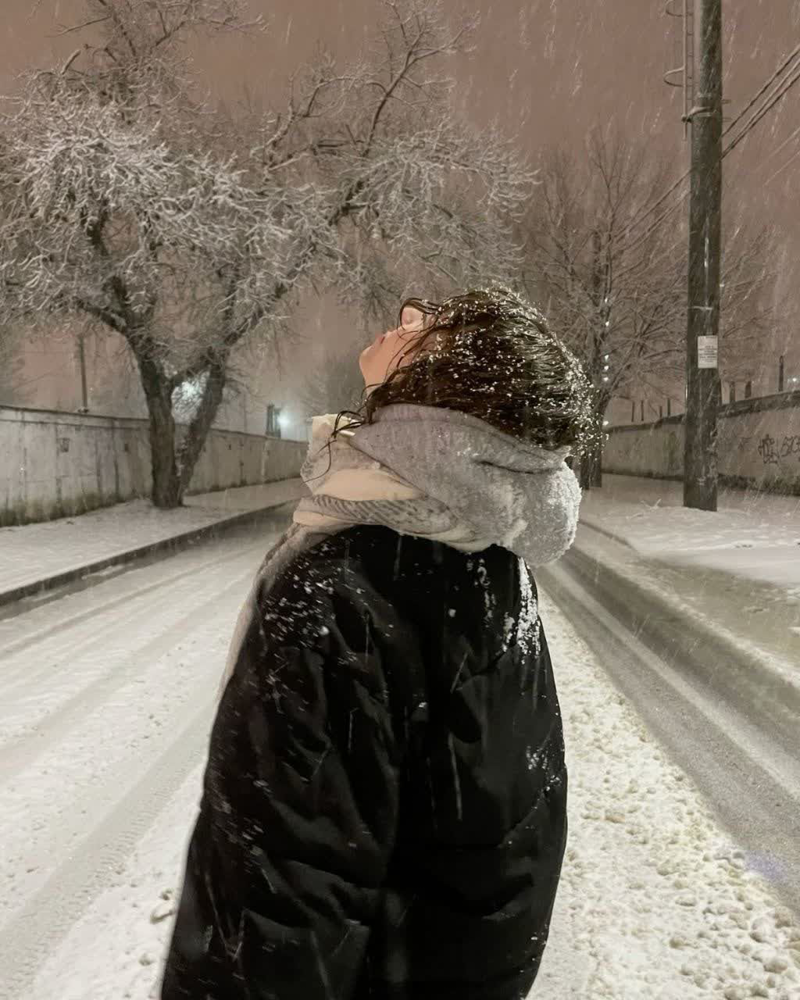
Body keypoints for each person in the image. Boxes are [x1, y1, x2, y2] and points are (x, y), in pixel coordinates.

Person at [161, 286, 592, 1000]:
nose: (409, 315)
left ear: (452, 388)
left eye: (437, 324)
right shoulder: (486, 557)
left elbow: (280, 896)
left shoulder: (339, 591)